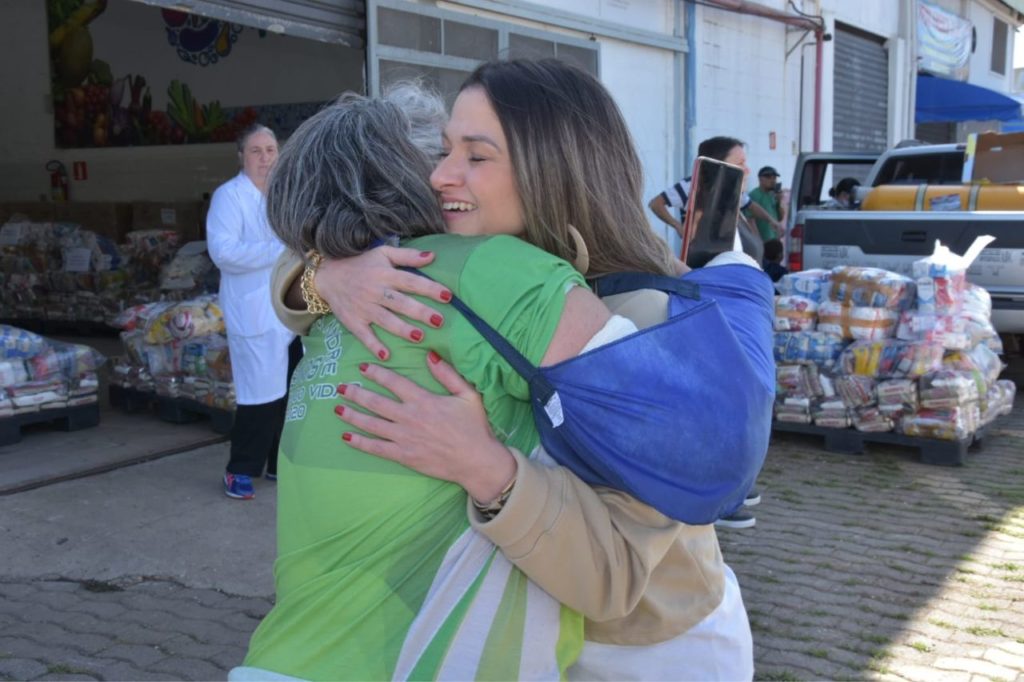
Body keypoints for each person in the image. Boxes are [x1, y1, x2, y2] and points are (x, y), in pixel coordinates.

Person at [270, 59, 757, 680]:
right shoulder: (474, 274)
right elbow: (290, 271)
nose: (438, 174)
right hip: (533, 634)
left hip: (644, 647)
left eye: (476, 156)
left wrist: (482, 466)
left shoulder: (637, 316)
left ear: (550, 169)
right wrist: (325, 274)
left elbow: (614, 574)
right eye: (444, 149)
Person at [235, 86, 614, 680]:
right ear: (416, 175)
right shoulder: (497, 274)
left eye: (475, 155)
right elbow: (663, 426)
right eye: (444, 153)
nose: (450, 174)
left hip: (283, 659)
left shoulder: (335, 305)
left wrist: (321, 272)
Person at [206, 123, 299, 500]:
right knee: (259, 395)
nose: (265, 158)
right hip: (254, 312)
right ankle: (240, 470)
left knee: (291, 389)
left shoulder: (283, 194)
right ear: (241, 156)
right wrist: (280, 251)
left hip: (290, 310)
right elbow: (223, 252)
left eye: (270, 150)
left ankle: (278, 464)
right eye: (256, 151)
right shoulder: (229, 197)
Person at [648, 135, 778, 265]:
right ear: (717, 166)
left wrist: (771, 221)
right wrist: (677, 225)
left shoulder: (735, 194)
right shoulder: (690, 186)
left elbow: (751, 206)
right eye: (740, 163)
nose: (748, 170)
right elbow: (656, 204)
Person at [746, 165, 786, 242]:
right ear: (760, 179)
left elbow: (780, 218)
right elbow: (750, 220)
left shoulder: (772, 195)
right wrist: (757, 241)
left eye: (774, 178)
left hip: (774, 240)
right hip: (763, 241)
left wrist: (779, 201)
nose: (773, 180)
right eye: (769, 177)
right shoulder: (754, 195)